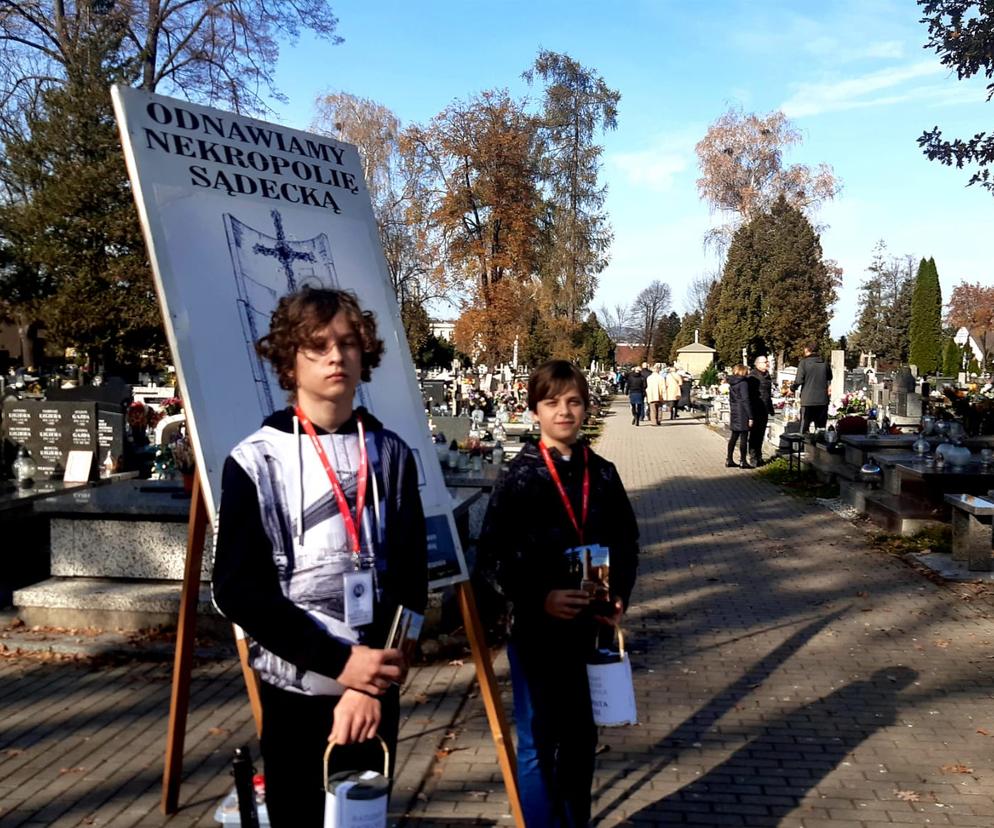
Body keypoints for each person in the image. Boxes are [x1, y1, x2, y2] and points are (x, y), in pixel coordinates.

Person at [212, 286, 428, 827]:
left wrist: (370, 682)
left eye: (348, 343)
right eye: (317, 345)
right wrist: (340, 665)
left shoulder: (393, 455)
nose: (336, 356)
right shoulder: (255, 460)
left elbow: (413, 582)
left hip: (374, 693)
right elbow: (237, 589)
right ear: (289, 359)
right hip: (296, 694)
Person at [476, 360, 639, 827]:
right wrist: (537, 598)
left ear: (586, 408)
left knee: (581, 739)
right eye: (552, 402)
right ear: (535, 412)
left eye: (573, 401)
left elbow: (627, 542)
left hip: (590, 629)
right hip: (536, 631)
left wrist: (620, 594)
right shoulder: (519, 475)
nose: (564, 411)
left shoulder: (603, 473)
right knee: (536, 741)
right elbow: (491, 557)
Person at [792, 344, 833, 434]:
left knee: (804, 428)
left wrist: (792, 389)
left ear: (807, 350)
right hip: (822, 400)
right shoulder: (824, 362)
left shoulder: (804, 363)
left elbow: (799, 380)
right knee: (821, 429)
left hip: (808, 400)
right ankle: (819, 446)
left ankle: (803, 447)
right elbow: (830, 377)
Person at [747, 355, 775, 466]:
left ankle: (759, 456)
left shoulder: (767, 376)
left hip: (764, 408)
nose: (767, 363)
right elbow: (749, 395)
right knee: (754, 434)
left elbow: (768, 394)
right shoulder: (752, 377)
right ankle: (753, 457)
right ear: (757, 364)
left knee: (761, 434)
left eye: (767, 362)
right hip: (755, 408)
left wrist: (771, 408)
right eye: (765, 362)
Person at [726, 363, 753, 468]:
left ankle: (729, 459)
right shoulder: (743, 383)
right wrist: (750, 416)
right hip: (742, 411)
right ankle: (743, 460)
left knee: (734, 436)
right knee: (744, 437)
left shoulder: (732, 382)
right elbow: (745, 399)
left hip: (734, 410)